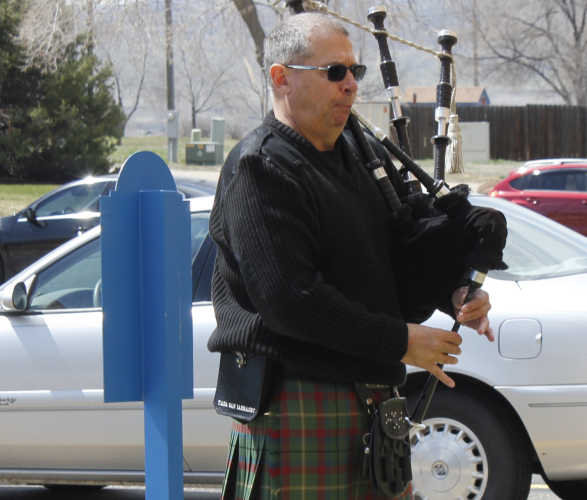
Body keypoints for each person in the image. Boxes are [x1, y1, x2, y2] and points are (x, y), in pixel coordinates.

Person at [208, 13, 495, 499]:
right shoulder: (262, 166)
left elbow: (397, 261)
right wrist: (400, 341)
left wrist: (455, 292)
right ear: (282, 78)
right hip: (298, 403)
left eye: (355, 72)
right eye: (334, 72)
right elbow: (290, 300)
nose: (349, 86)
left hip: (375, 406)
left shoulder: (362, 161)